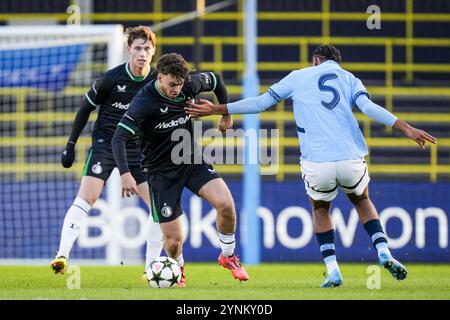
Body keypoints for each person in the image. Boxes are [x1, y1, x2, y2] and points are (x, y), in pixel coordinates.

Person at [185, 45, 437, 288]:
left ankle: (333, 269)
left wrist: (217, 109)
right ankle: (383, 251)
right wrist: (407, 128)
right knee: (362, 201)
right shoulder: (349, 78)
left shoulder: (298, 76)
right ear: (336, 63)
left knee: (320, 209)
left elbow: (260, 103)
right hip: (350, 158)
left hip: (318, 162)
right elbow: (369, 108)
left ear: (315, 60)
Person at [112, 53, 250, 287]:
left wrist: (226, 115)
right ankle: (179, 268)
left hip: (190, 158)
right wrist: (125, 173)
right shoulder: (144, 102)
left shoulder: (188, 85)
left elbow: (216, 80)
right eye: (172, 85)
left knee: (226, 205)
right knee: (174, 242)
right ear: (160, 76)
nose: (177, 89)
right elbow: (118, 138)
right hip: (160, 172)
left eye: (180, 84)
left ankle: (228, 256)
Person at [51, 26, 164, 275]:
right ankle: (62, 255)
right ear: (129, 50)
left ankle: (150, 267)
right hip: (105, 144)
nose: (142, 54)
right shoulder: (111, 79)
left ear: (153, 51)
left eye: (147, 49)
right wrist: (70, 145)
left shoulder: (157, 82)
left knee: (158, 206)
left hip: (137, 150)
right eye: (137, 48)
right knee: (87, 197)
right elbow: (84, 109)